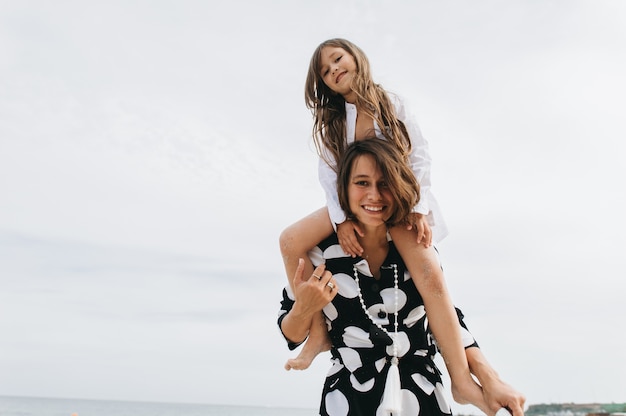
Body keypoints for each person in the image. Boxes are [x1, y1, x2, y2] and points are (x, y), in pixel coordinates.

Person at [278, 139, 525, 416]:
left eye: (385, 184)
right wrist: (303, 308)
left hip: (422, 396)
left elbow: (448, 319)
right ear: (342, 191)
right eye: (362, 183)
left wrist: (488, 377)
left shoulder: (417, 251)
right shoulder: (320, 253)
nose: (374, 195)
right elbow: (291, 333)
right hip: (348, 401)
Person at [279, 38, 470, 394]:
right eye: (325, 70)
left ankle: (461, 380)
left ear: (355, 58)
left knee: (430, 274)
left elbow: (420, 155)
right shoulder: (332, 122)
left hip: (397, 201)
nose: (334, 69)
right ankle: (318, 334)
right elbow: (328, 176)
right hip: (350, 204)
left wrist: (417, 207)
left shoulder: (391, 103)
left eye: (338, 59)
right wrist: (341, 221)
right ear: (323, 83)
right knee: (290, 240)